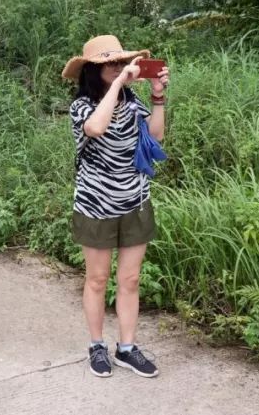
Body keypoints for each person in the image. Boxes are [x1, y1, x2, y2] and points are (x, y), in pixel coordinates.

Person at [61, 35, 170, 379]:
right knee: (96, 279)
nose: (118, 68)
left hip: (135, 200)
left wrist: (157, 97)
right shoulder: (81, 107)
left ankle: (126, 347)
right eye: (110, 64)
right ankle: (96, 345)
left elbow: (156, 137)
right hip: (95, 204)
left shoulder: (132, 101)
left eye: (122, 63)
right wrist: (119, 86)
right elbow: (96, 127)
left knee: (131, 279)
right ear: (92, 70)